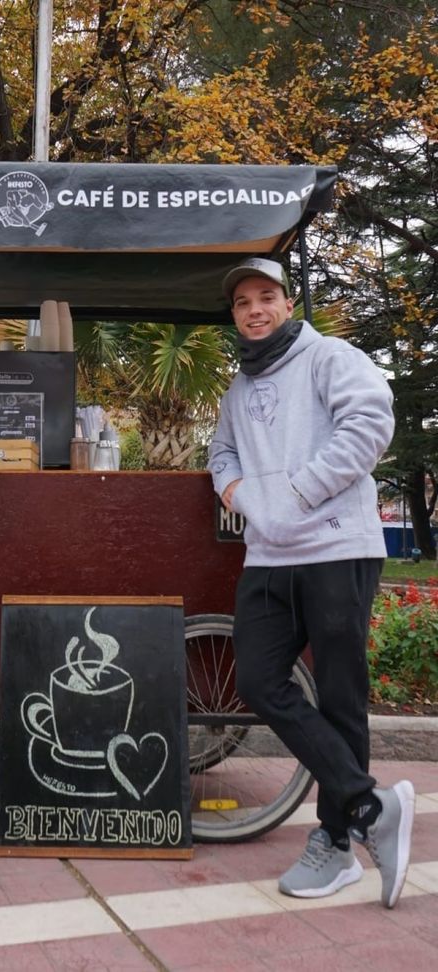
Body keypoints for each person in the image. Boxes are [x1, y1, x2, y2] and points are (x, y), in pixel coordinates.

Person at [208, 257, 415, 908]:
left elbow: (371, 424)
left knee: (340, 696)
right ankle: (368, 805)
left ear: (288, 303)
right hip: (269, 554)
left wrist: (298, 491)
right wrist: (237, 491)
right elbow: (221, 453)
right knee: (258, 681)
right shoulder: (239, 389)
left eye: (266, 296)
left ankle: (335, 843)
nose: (255, 309)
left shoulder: (331, 358)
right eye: (243, 302)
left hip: (336, 547)